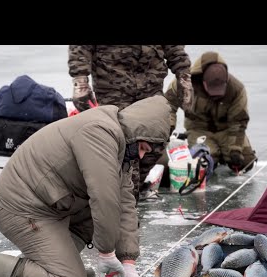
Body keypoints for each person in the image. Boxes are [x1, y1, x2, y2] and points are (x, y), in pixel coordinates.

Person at [0, 95, 171, 277]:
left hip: (52, 203)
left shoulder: (120, 144)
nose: (141, 156)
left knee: (102, 218)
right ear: (137, 132)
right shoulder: (99, 133)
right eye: (142, 148)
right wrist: (106, 253)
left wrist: (128, 261)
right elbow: (104, 198)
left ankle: (58, 264)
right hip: (22, 207)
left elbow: (124, 204)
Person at [68, 45, 192, 201]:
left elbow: (174, 48)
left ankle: (132, 191)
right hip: (113, 87)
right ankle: (117, 195)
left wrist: (184, 75)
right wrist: (80, 80)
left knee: (156, 141)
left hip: (150, 86)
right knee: (119, 144)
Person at [164, 51, 257, 175]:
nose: (216, 93)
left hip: (226, 131)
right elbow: (168, 105)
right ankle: (203, 150)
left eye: (220, 88)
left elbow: (238, 122)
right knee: (204, 163)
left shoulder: (236, 89)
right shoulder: (184, 84)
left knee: (245, 163)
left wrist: (235, 149)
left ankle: (225, 155)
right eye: (213, 88)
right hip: (199, 130)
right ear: (203, 81)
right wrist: (168, 128)